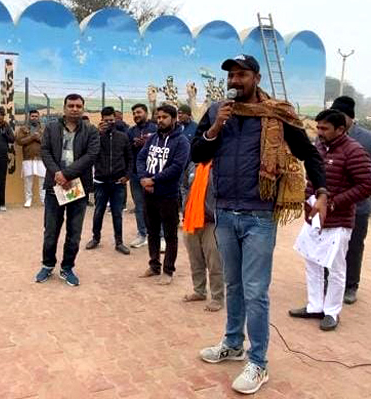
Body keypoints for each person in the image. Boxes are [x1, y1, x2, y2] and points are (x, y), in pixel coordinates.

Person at [193, 54, 327, 394]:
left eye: (241, 75)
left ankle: (258, 363)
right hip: (224, 212)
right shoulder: (215, 111)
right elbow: (197, 154)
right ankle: (233, 343)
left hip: (259, 216)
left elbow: (308, 153)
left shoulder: (277, 114)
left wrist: (322, 190)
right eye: (231, 76)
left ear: (256, 77)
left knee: (255, 291)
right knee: (234, 286)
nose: (235, 81)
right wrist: (215, 127)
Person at [288, 110, 371, 331]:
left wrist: (332, 203)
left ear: (341, 129)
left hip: (339, 221)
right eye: (318, 127)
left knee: (336, 268)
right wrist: (308, 197)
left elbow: (365, 185)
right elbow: (313, 177)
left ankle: (332, 312)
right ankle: (315, 306)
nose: (319, 132)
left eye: (325, 128)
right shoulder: (319, 147)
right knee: (312, 262)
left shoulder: (354, 151)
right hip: (315, 218)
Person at [35, 94, 100, 287]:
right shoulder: (52, 128)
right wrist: (57, 173)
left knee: (74, 230)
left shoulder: (90, 131)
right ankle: (47, 265)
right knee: (51, 229)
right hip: (55, 185)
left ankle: (67, 267)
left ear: (83, 108)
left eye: (78, 106)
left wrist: (67, 174)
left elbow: (91, 155)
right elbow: (45, 151)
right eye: (71, 105)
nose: (74, 109)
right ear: (64, 108)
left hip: (77, 187)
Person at [137, 104, 190, 285]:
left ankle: (168, 270)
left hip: (167, 195)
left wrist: (154, 180)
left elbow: (177, 167)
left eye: (164, 117)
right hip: (148, 193)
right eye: (158, 117)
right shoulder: (152, 139)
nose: (160, 120)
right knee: (152, 231)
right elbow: (141, 158)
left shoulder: (181, 142)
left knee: (170, 234)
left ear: (174, 119)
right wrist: (144, 178)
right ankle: (154, 266)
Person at [329, 96, 371, 305]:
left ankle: (351, 286)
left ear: (350, 118)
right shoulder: (326, 136)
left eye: (341, 116)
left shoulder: (367, 138)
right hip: (331, 206)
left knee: (354, 246)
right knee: (330, 246)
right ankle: (329, 283)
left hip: (359, 206)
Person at [86, 106, 131, 254]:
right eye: (106, 120)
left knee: (117, 213)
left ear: (116, 119)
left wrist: (127, 175)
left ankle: (119, 242)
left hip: (118, 182)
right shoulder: (96, 136)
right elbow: (89, 152)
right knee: (98, 211)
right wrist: (98, 134)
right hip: (100, 182)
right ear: (102, 120)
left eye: (112, 120)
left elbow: (129, 158)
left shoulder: (123, 137)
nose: (110, 123)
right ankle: (95, 238)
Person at [181, 162, 224, 311]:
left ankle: (217, 297)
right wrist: (185, 205)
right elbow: (185, 186)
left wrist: (213, 210)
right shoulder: (193, 164)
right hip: (191, 219)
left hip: (212, 222)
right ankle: (199, 290)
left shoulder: (221, 164)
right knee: (195, 258)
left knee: (214, 260)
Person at [126, 103, 157, 248]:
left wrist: (147, 144)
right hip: (135, 175)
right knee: (139, 206)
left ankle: (160, 236)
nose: (136, 115)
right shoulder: (130, 131)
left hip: (154, 175)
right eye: (134, 113)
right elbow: (126, 151)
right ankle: (142, 234)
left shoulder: (155, 129)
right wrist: (134, 144)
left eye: (139, 112)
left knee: (156, 206)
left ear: (145, 113)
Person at [16, 109, 46, 208]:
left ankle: (43, 199)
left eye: (36, 116)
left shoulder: (44, 128)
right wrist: (32, 137)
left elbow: (47, 142)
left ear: (39, 117)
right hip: (28, 158)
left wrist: (38, 138)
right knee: (28, 180)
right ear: (29, 117)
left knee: (43, 180)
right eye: (32, 116)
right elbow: (19, 141)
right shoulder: (23, 128)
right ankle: (28, 200)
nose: (34, 118)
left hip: (41, 158)